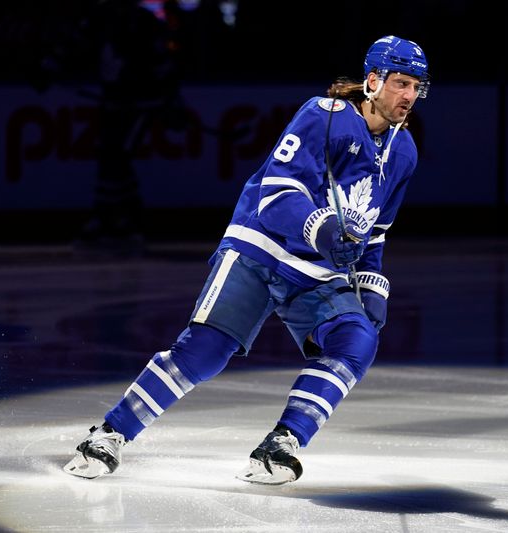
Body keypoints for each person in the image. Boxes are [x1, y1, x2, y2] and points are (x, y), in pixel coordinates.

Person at [63, 35, 430, 484]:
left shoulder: (404, 153)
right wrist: (325, 230)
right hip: (262, 248)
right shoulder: (324, 117)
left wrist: (371, 281)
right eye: (400, 83)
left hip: (316, 273)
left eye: (416, 86)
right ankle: (109, 434)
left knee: (356, 340)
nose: (408, 96)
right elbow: (276, 196)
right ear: (373, 80)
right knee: (205, 352)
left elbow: (374, 232)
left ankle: (282, 443)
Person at [35, 0, 185, 251]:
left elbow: (163, 64)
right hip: (114, 101)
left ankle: (118, 219)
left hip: (140, 104)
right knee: (111, 156)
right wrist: (47, 68)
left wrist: (170, 99)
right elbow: (73, 44)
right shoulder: (100, 18)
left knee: (116, 156)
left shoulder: (144, 23)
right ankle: (115, 218)